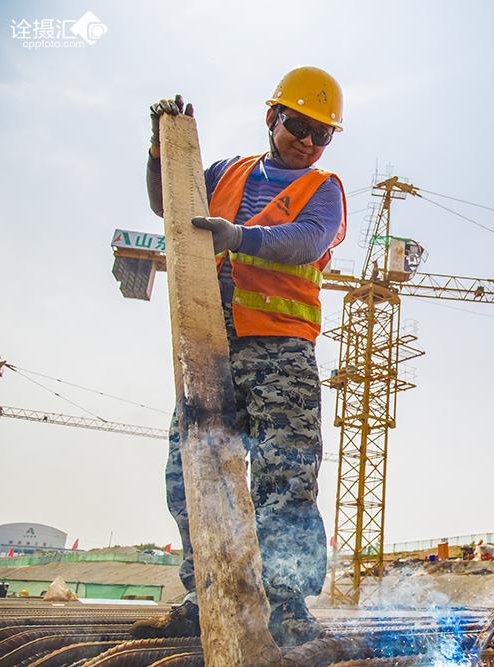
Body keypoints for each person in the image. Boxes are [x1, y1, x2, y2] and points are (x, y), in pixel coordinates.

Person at [132, 66, 348, 647]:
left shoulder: (323, 188)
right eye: (298, 125)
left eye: (320, 133)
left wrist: (240, 237)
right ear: (272, 117)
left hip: (281, 354)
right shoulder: (226, 172)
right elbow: (169, 204)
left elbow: (308, 238)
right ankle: (206, 595)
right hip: (210, 347)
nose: (307, 140)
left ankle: (290, 609)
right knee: (191, 477)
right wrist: (161, 150)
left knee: (285, 480)